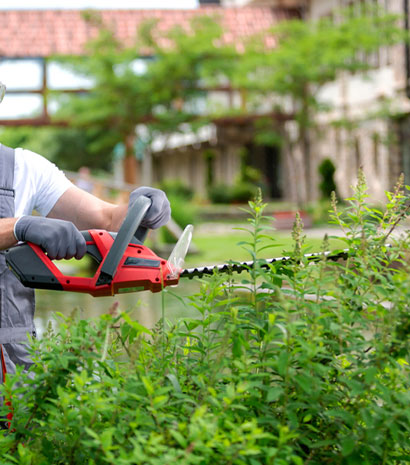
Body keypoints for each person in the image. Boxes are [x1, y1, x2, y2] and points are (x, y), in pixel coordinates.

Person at [0, 81, 171, 426]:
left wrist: (140, 206)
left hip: (13, 361)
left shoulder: (22, 168)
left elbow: (106, 218)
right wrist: (19, 227)